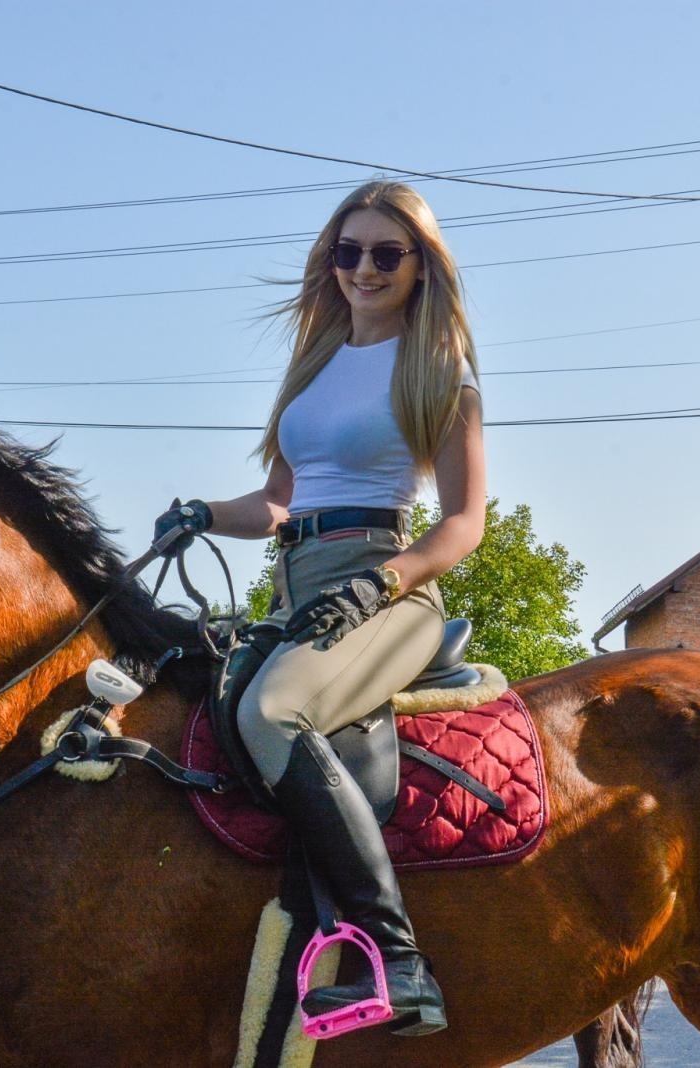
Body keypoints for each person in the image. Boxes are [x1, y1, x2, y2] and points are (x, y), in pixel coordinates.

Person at [154, 180, 485, 1037]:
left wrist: (382, 584)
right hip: (298, 587)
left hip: (389, 588)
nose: (363, 269)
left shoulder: (440, 370)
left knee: (273, 711)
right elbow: (276, 503)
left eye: (385, 253)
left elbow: (464, 522)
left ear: (420, 266)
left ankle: (397, 957)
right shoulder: (317, 365)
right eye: (348, 252)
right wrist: (203, 515)